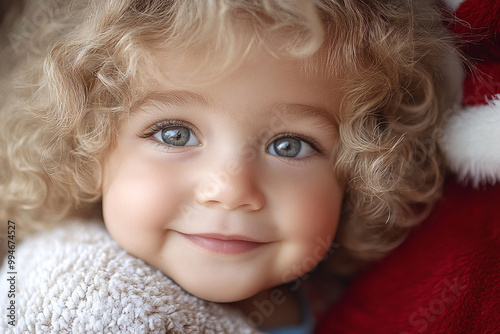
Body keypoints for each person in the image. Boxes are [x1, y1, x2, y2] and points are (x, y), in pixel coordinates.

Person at [0, 0, 462, 332]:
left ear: (362, 173)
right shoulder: (71, 298)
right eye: (174, 134)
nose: (232, 188)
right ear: (84, 143)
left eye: (290, 145)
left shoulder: (340, 299)